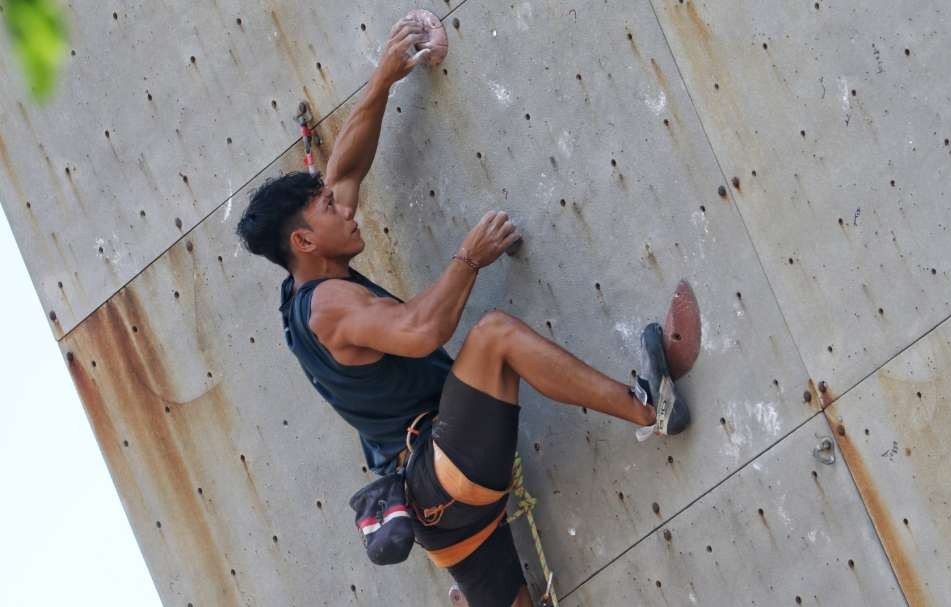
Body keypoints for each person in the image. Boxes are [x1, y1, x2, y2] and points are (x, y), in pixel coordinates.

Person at [235, 16, 689, 607]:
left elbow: (344, 172)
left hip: (438, 510)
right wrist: (468, 260)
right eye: (327, 210)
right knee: (496, 336)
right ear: (303, 241)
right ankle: (646, 409)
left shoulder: (308, 284)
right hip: (441, 469)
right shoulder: (329, 305)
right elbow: (422, 332)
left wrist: (384, 80)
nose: (346, 211)